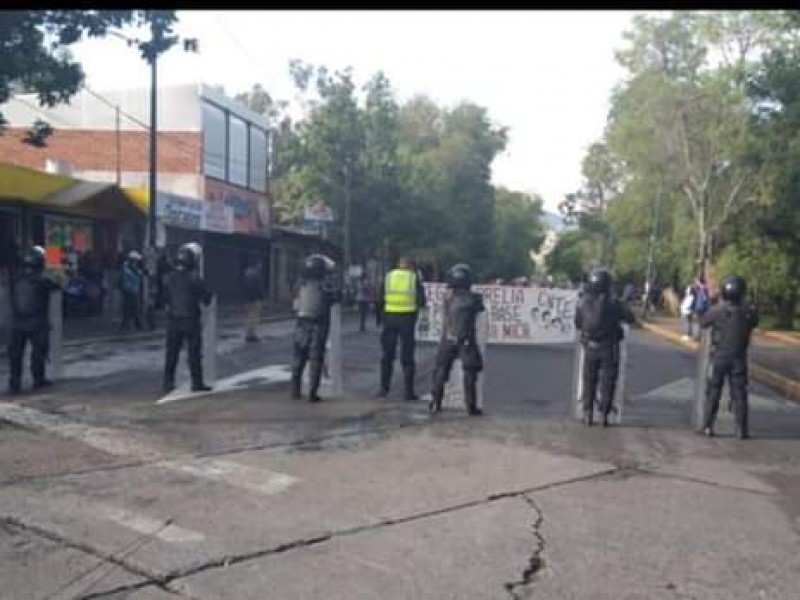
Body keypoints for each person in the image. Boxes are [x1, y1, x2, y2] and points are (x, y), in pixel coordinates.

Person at [699, 275, 758, 439]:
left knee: (713, 391)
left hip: (720, 356)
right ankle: (741, 429)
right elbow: (755, 321)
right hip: (739, 357)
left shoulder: (717, 311)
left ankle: (708, 426)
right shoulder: (748, 312)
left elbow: (703, 322)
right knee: (739, 393)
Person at [574, 268, 635, 427]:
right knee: (608, 382)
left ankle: (588, 413)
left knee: (589, 380)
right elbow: (630, 318)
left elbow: (578, 323)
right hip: (609, 347)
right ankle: (604, 415)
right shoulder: (614, 302)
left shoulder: (583, 302)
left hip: (590, 346)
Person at [429, 263, 485, 416]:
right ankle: (471, 406)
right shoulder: (474, 299)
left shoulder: (448, 298)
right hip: (466, 338)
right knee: (470, 371)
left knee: (441, 370)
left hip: (448, 336)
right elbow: (480, 311)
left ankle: (436, 401)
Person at [7, 246, 61, 394]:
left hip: (18, 322)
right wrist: (55, 262)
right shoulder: (42, 280)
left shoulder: (17, 278)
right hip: (37, 322)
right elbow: (59, 284)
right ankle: (38, 379)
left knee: (16, 354)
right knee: (38, 353)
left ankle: (14, 381)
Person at [162, 243, 213, 394]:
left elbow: (164, 299)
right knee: (194, 353)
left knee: (172, 353)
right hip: (190, 320)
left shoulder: (169, 277)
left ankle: (167, 381)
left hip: (173, 320)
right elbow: (206, 299)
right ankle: (196, 383)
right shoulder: (195, 278)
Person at [290, 254, 341, 402]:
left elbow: (294, 301)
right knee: (315, 358)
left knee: (299, 355)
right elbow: (336, 298)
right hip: (318, 323)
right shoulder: (325, 285)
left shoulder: (300, 284)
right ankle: (312, 393)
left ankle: (295, 390)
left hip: (301, 322)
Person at [376, 256, 426, 400]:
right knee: (408, 357)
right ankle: (408, 392)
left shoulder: (389, 276)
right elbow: (421, 300)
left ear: (398, 265)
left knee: (387, 355)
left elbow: (379, 298)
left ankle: (383, 389)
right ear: (411, 266)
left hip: (390, 318)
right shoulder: (413, 278)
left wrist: (379, 317)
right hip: (407, 319)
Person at [119, 250, 144, 332]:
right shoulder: (127, 267)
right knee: (131, 308)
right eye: (136, 260)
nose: (137, 262)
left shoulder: (129, 267)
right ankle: (131, 324)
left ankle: (135, 324)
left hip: (132, 289)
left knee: (132, 308)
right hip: (129, 290)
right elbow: (133, 276)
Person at [244, 259, 265, 343]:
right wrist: (259, 297)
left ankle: (249, 334)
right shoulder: (256, 275)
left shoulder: (247, 274)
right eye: (260, 264)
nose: (261, 266)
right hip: (255, 299)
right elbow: (258, 288)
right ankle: (252, 335)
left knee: (250, 317)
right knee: (254, 318)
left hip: (249, 299)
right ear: (256, 264)